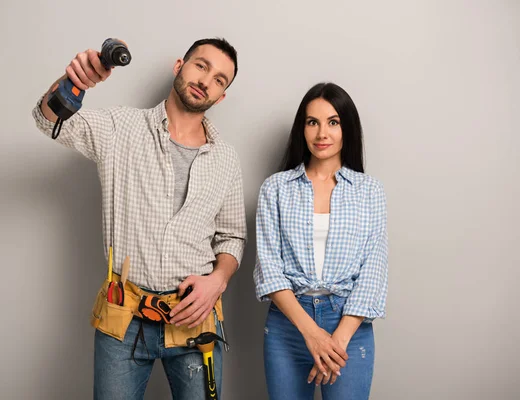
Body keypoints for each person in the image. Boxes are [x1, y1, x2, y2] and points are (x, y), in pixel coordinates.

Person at [32, 38, 246, 400]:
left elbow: (232, 238)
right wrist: (74, 83)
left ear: (221, 96)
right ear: (180, 65)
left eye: (220, 79)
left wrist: (218, 280)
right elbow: (48, 120)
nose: (207, 80)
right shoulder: (121, 128)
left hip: (196, 320)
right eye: (201, 66)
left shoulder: (225, 159)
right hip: (123, 316)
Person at [253, 82, 388, 400]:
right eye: (312, 122)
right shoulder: (276, 189)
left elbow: (374, 270)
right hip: (289, 324)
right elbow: (269, 268)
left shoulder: (369, 191)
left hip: (349, 327)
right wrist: (311, 333)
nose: (321, 133)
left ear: (347, 128)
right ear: (302, 128)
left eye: (333, 122)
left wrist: (336, 342)